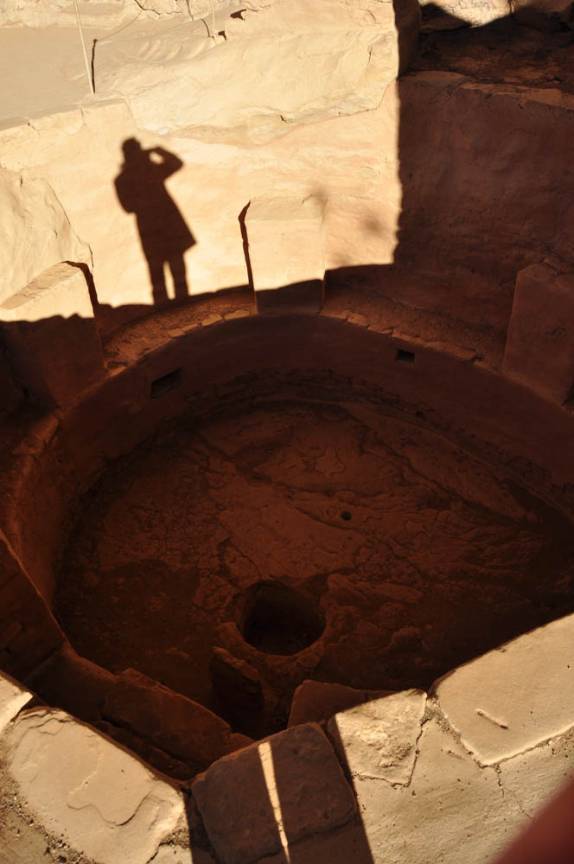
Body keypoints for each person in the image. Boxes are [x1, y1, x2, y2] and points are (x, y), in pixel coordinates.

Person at [115, 138, 195, 304]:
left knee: (175, 271)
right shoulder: (126, 178)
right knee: (158, 274)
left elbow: (176, 163)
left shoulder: (148, 170)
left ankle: (181, 306)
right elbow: (128, 207)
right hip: (153, 230)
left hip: (165, 227)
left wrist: (158, 150)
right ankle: (165, 309)